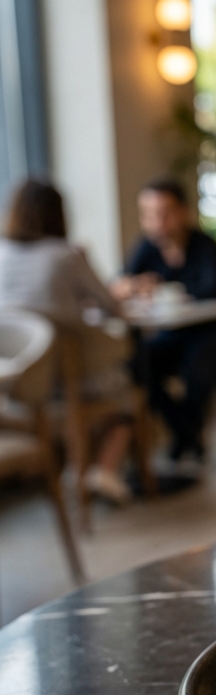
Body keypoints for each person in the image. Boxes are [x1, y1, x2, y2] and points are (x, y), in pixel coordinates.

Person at [0, 178, 136, 504]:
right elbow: (111, 306)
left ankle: (77, 470)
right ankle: (102, 469)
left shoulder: (2, 254)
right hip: (69, 376)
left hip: (18, 383)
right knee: (130, 389)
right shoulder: (66, 255)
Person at [118, 178, 216, 465]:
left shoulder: (205, 245)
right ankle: (186, 431)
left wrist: (161, 286)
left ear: (183, 212)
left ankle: (184, 435)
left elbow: (213, 291)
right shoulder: (146, 248)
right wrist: (134, 286)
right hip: (173, 335)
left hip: (215, 333)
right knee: (138, 366)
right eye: (149, 214)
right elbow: (122, 282)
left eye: (164, 212)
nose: (157, 221)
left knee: (196, 371)